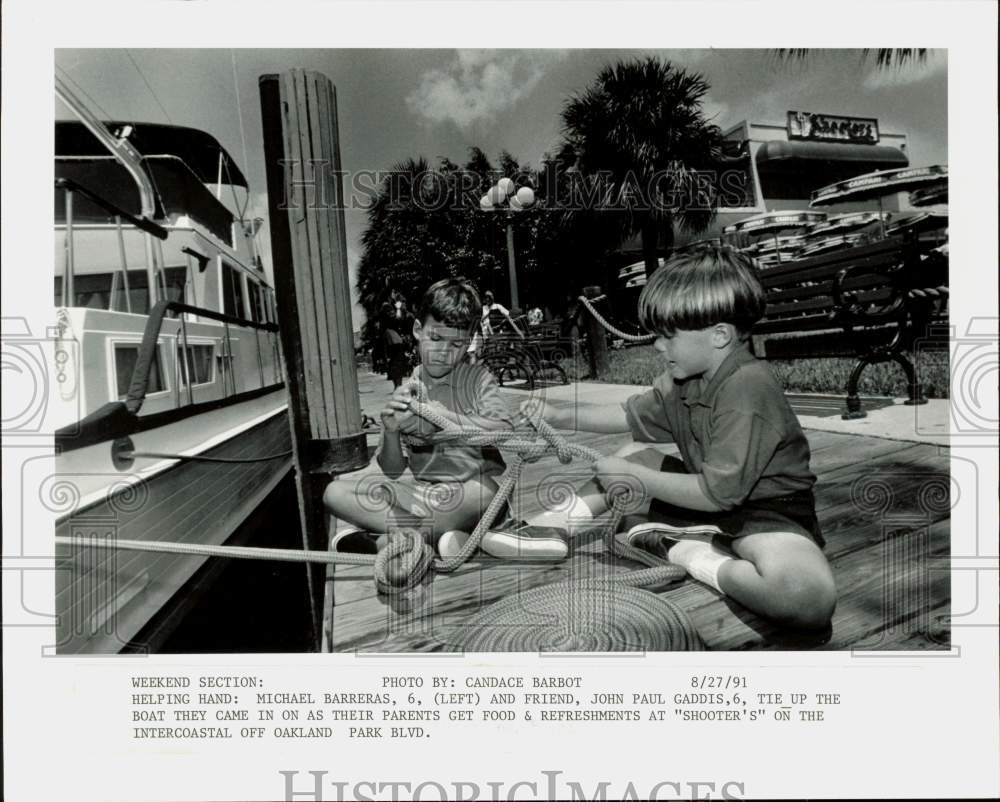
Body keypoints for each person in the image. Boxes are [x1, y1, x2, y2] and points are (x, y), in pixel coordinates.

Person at [515, 246, 837, 630]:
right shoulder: (683, 380)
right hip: (708, 501)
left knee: (806, 597)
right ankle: (551, 526)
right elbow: (627, 415)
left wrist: (638, 479)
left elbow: (721, 494)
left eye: (669, 335)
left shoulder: (748, 388)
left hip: (767, 512)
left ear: (720, 335)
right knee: (635, 452)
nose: (658, 345)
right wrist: (557, 414)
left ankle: (689, 553)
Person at [326, 278, 561, 561]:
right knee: (334, 492)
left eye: (456, 343)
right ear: (417, 330)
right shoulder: (411, 385)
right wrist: (390, 432)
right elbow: (392, 470)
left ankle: (390, 540)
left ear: (468, 344)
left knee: (485, 490)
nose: (443, 352)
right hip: (424, 495)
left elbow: (504, 431)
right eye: (435, 338)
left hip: (469, 495)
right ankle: (443, 537)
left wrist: (444, 416)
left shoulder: (477, 379)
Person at [383, 296, 414, 388]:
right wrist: (398, 308)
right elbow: (398, 318)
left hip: (391, 342)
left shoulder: (385, 318)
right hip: (394, 341)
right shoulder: (390, 317)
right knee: (397, 364)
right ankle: (398, 385)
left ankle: (397, 385)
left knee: (394, 365)